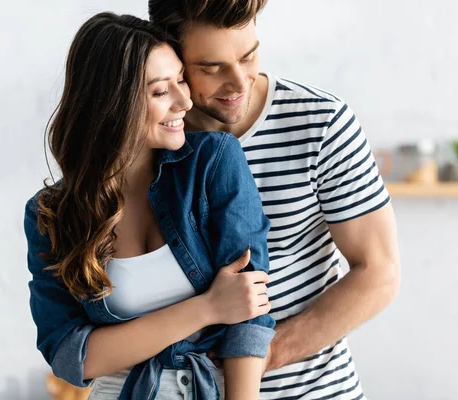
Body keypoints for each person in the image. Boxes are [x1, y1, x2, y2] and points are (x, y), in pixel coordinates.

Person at [148, 0, 402, 398]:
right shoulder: (148, 141)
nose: (238, 82)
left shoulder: (321, 123)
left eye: (248, 56)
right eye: (211, 68)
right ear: (171, 60)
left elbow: (379, 273)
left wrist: (266, 352)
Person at [24, 12, 277, 400]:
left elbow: (250, 311)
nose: (184, 101)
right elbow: (71, 356)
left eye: (180, 80)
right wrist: (206, 309)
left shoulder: (213, 161)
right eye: (161, 92)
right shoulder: (51, 214)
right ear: (113, 104)